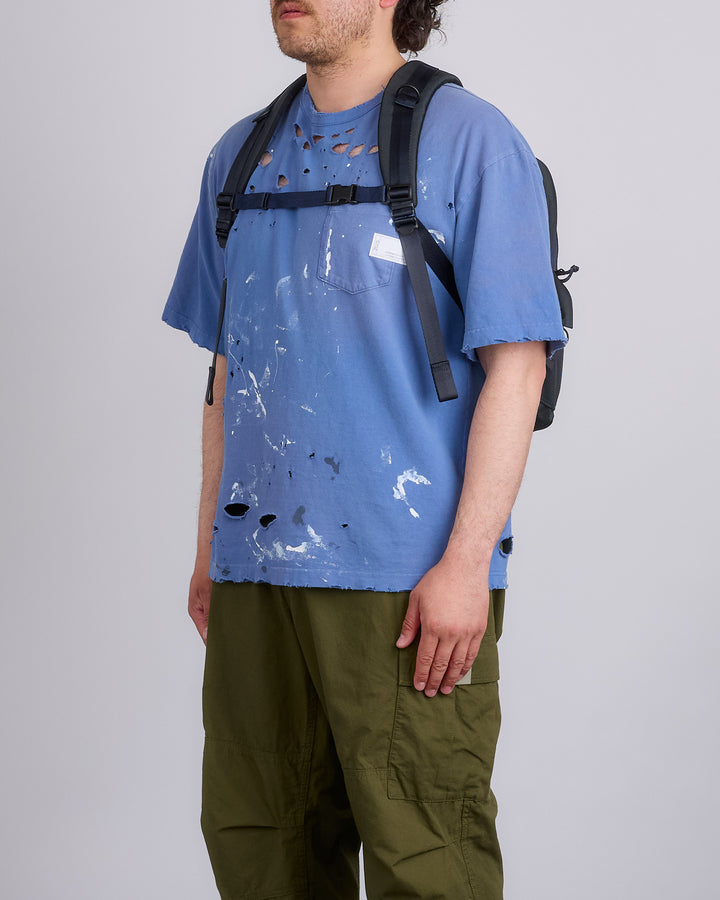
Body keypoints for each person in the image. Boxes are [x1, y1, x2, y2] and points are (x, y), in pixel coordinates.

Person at [163, 0, 566, 896]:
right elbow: (228, 370)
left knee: (428, 859)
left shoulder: (471, 141)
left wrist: (466, 564)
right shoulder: (239, 155)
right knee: (261, 853)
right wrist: (209, 552)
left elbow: (518, 366)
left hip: (406, 582)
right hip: (255, 576)